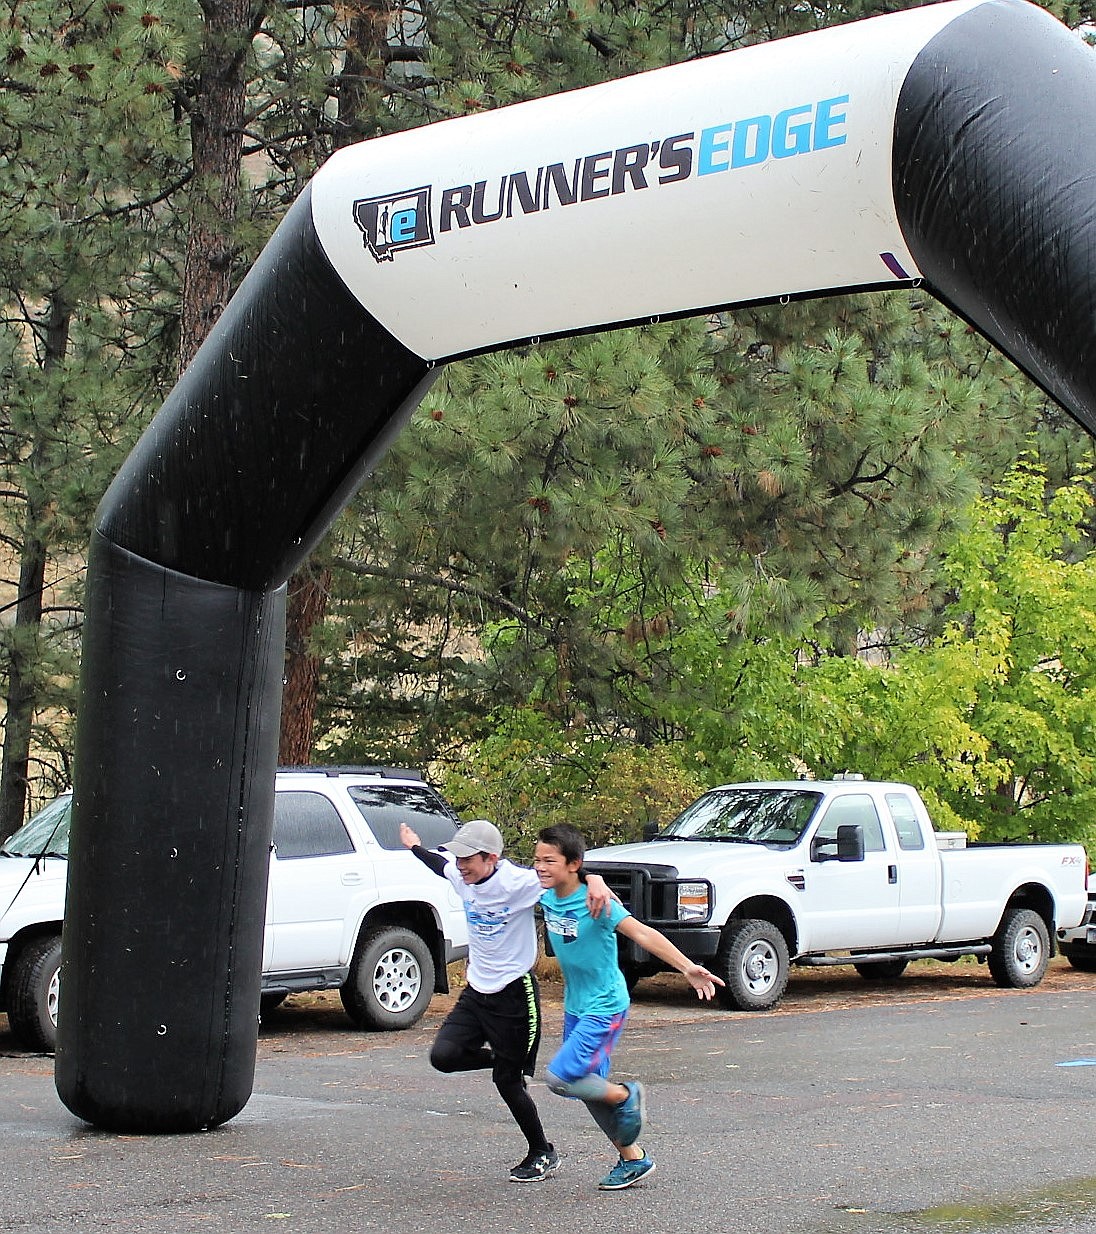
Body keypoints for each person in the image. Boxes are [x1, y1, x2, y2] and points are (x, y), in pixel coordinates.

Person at [400, 817, 612, 1183]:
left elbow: (566, 872)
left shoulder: (520, 882)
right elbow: (440, 865)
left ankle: (542, 1151)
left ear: (491, 858)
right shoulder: (463, 876)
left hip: (516, 994)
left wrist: (595, 880)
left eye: (469, 859)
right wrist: (414, 847)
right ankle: (507, 1060)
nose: (461, 865)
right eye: (460, 858)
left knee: (507, 1082)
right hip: (477, 992)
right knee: (444, 1057)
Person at [534, 822, 724, 1191]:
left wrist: (688, 967)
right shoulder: (546, 894)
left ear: (572, 864)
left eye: (549, 861)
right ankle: (634, 1159)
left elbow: (643, 933)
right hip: (576, 1006)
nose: (540, 866)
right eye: (537, 859)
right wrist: (594, 877)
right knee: (590, 1089)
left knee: (561, 1079)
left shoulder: (600, 903)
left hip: (605, 1006)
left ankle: (628, 1095)